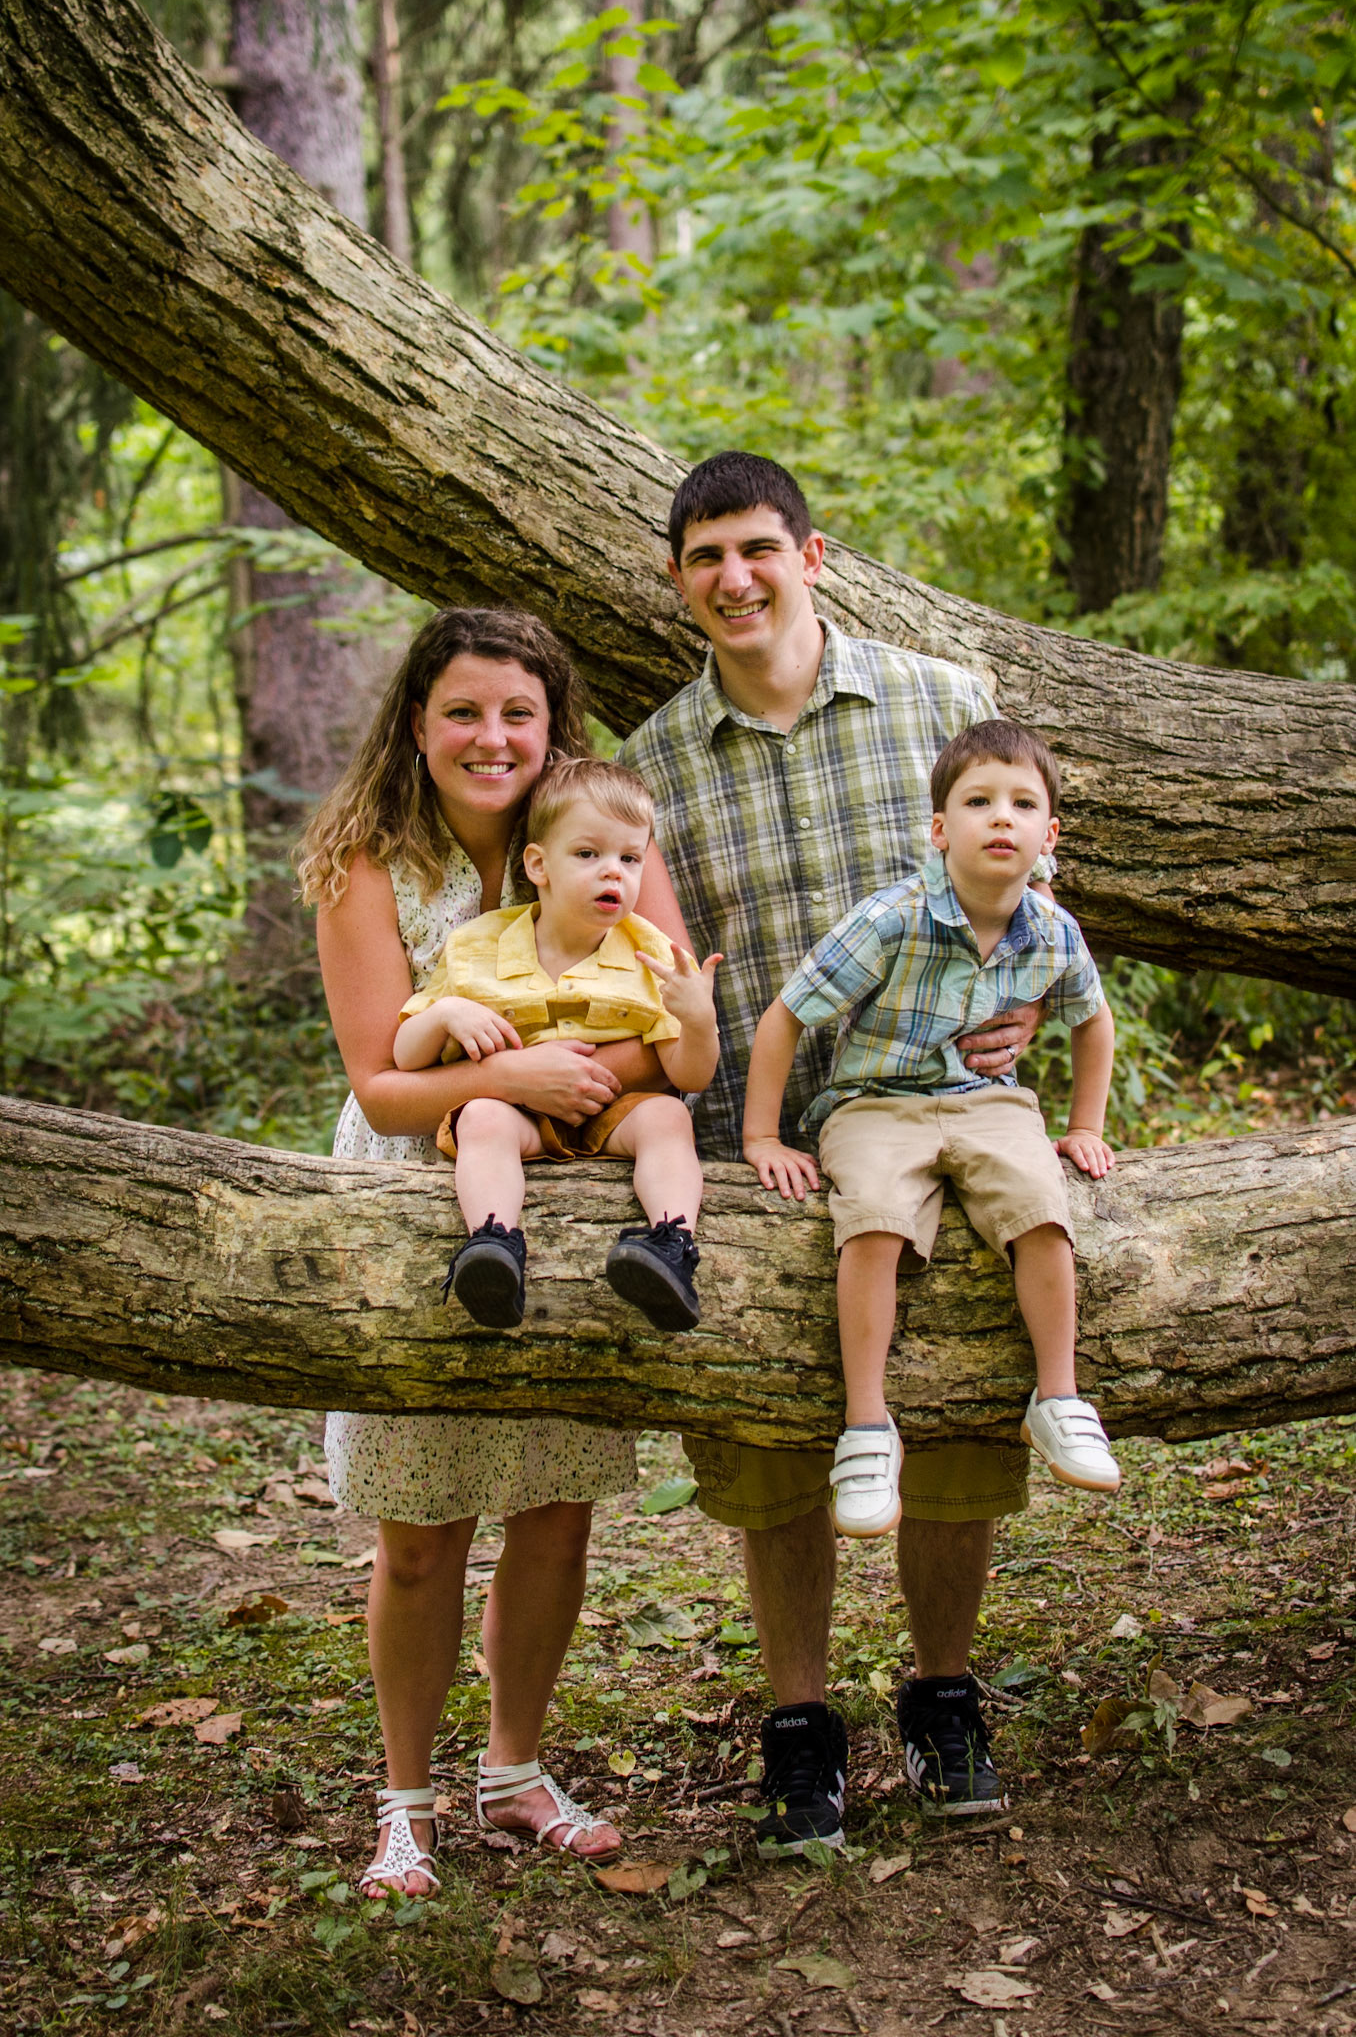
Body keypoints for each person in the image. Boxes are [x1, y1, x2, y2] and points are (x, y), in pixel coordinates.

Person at [619, 450, 1057, 1842]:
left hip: (934, 1122)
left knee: (960, 1419)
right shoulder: (649, 765)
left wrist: (1030, 1009)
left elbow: (1029, 881)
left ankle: (943, 1696)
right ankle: (801, 1726)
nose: (734, 577)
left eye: (757, 547)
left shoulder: (941, 700)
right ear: (680, 581)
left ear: (810, 557)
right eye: (705, 557)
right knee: (770, 1443)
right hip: (748, 1154)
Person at [300, 608, 665, 1894]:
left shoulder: (600, 831)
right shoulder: (366, 862)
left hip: (573, 1184)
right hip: (417, 1205)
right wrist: (513, 1074)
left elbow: (667, 1025)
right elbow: (380, 1082)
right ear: (418, 723)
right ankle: (405, 1801)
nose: (491, 736)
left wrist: (565, 1082)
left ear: (554, 725)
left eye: (519, 712)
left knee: (555, 1511)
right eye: (463, 710)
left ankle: (514, 1771)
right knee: (420, 1529)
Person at [742, 718, 1121, 1543]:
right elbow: (787, 1015)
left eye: (1023, 804)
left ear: (1049, 836)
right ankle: (867, 1426)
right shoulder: (893, 918)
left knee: (1041, 1208)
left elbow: (1094, 1021)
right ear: (941, 829)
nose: (1002, 817)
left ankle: (1059, 1396)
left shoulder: (1053, 931)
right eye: (979, 802)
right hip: (875, 1103)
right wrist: (762, 1138)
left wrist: (1085, 1125)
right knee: (873, 1218)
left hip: (989, 1102)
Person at [394, 757, 721, 1332]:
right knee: (481, 1118)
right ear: (538, 865)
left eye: (630, 858)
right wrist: (445, 1013)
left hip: (612, 1114)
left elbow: (688, 1075)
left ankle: (672, 1244)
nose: (612, 872)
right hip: (518, 1116)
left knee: (669, 1116)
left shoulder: (651, 954)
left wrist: (698, 1021)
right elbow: (405, 1055)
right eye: (588, 854)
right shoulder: (478, 948)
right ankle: (493, 1244)